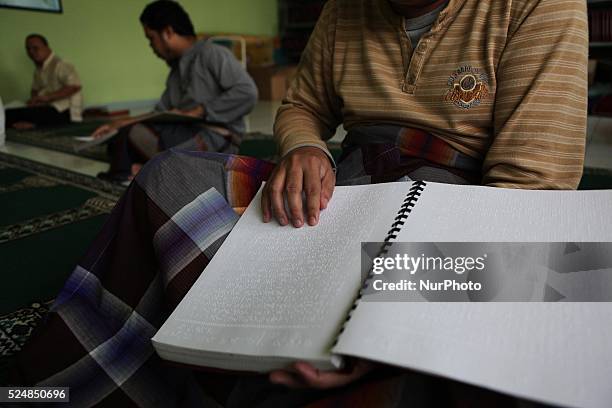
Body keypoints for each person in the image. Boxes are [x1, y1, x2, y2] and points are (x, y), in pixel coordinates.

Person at [12, 0, 587, 406]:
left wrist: (396, 326)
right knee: (167, 180)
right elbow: (301, 106)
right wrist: (307, 147)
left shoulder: (539, 4)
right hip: (347, 181)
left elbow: (528, 192)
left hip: (459, 198)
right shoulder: (344, 10)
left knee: (531, 324)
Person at [94, 0, 258, 183]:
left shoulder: (212, 53)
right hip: (183, 132)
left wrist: (200, 111)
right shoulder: (176, 70)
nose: (151, 47)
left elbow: (247, 92)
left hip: (216, 137)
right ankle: (149, 167)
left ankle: (143, 170)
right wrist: (121, 122)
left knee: (130, 135)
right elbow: (159, 113)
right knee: (119, 135)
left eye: (151, 39)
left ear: (168, 32)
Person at [5, 34, 83, 130]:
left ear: (47, 47)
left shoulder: (61, 64)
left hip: (64, 110)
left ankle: (33, 125)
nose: (31, 52)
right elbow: (35, 90)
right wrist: (34, 101)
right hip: (47, 108)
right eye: (28, 49)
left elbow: (74, 87)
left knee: (10, 116)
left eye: (35, 48)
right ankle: (30, 124)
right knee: (9, 113)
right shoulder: (39, 69)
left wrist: (46, 98)